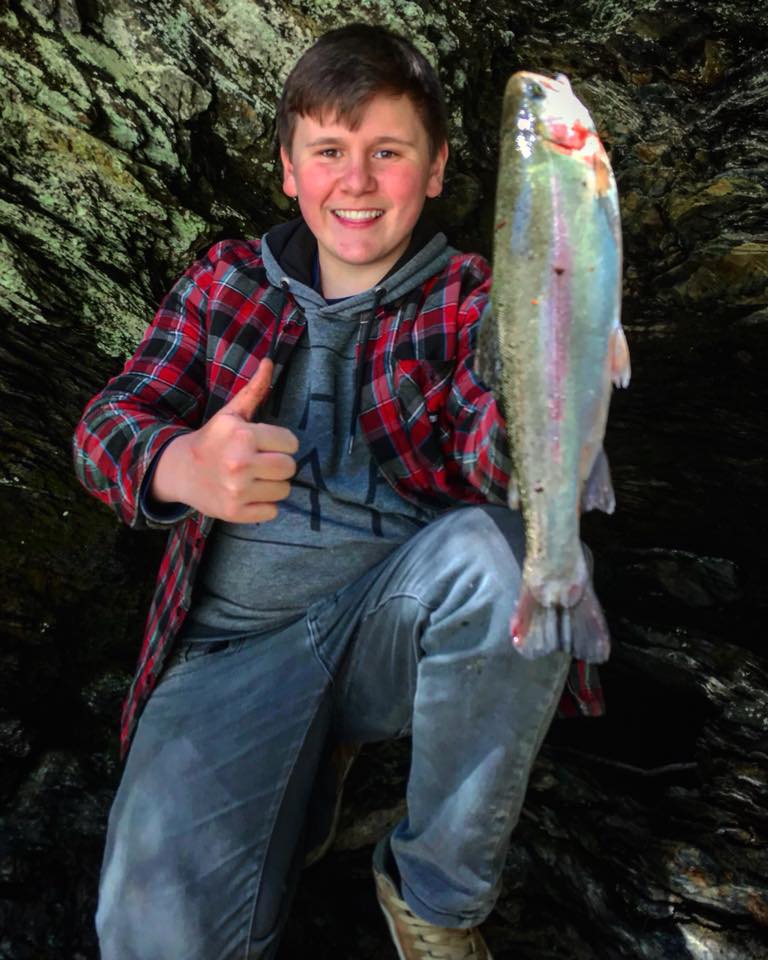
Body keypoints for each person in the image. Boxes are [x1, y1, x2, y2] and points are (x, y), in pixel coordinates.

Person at [73, 23, 604, 960]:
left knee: (495, 555)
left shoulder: (475, 300)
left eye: (387, 152)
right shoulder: (226, 280)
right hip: (227, 651)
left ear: (435, 170)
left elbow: (496, 457)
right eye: (330, 151)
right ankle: (307, 780)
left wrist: (558, 361)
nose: (355, 181)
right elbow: (104, 426)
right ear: (289, 169)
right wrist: (182, 464)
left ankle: (435, 899)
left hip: (390, 630)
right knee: (147, 936)